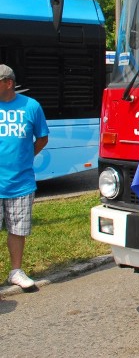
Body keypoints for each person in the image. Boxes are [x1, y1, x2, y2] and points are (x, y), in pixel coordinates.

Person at [0, 64, 49, 290]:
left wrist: (26, 157)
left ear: (8, 83)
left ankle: (16, 272)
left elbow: (42, 138)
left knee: (18, 230)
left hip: (21, 182)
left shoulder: (31, 106)